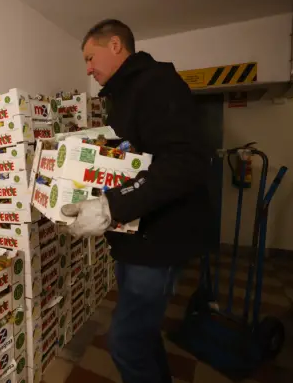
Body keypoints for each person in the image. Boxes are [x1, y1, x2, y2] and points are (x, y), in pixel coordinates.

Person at [61, 19, 217, 383]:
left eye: (90, 57)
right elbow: (135, 163)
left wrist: (110, 206)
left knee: (126, 343)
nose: (88, 69)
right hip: (134, 242)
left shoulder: (156, 84)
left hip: (158, 243)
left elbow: (184, 162)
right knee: (142, 338)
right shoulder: (123, 96)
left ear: (115, 45)